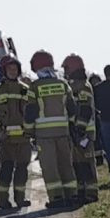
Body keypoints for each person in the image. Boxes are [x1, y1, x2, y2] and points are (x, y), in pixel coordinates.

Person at [27, 50, 80, 206]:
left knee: (50, 167)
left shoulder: (34, 87)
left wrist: (29, 131)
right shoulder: (63, 84)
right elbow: (72, 108)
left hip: (44, 135)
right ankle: (72, 195)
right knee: (66, 164)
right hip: (63, 132)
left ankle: (57, 198)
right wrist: (70, 125)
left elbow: (31, 111)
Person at [0, 56, 33, 214]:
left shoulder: (25, 90)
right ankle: (3, 201)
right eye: (10, 69)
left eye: (15, 69)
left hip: (23, 138)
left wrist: (30, 131)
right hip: (6, 139)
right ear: (3, 71)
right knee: (6, 170)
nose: (13, 72)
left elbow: (32, 111)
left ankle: (20, 199)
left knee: (22, 170)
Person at [62, 54, 101, 201]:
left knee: (87, 163)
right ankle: (81, 191)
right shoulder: (73, 85)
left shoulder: (84, 86)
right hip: (75, 133)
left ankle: (91, 192)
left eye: (66, 68)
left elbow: (85, 109)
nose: (65, 71)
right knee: (77, 164)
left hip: (85, 134)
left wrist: (79, 129)